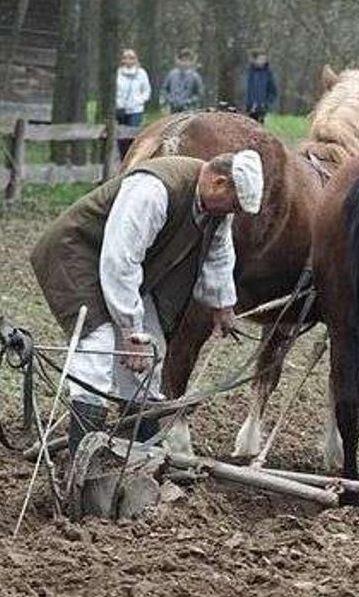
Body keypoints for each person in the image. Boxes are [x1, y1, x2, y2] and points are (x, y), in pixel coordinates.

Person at [29, 150, 264, 458]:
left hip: (127, 270)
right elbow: (119, 259)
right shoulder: (153, 190)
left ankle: (137, 456)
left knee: (149, 353)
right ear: (219, 183)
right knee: (98, 350)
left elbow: (219, 254)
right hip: (79, 255)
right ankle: (82, 460)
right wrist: (129, 332)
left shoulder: (215, 209)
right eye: (234, 203)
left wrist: (223, 305)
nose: (233, 212)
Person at [115, 48, 151, 158]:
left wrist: (139, 101)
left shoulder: (141, 73)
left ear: (135, 60)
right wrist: (118, 102)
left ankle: (132, 158)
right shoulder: (118, 73)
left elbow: (147, 90)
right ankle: (122, 158)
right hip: (121, 109)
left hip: (136, 110)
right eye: (126, 58)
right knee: (121, 137)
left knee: (133, 136)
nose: (128, 60)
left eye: (131, 58)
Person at [161, 48, 205, 114]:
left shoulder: (195, 76)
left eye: (187, 60)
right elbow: (164, 89)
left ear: (191, 62)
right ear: (178, 61)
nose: (184, 63)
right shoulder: (172, 74)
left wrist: (189, 101)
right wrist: (170, 99)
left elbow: (200, 94)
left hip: (188, 110)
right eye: (182, 60)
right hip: (173, 109)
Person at [245, 49, 278, 122]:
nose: (263, 61)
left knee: (259, 129)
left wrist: (266, 103)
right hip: (248, 107)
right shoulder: (248, 72)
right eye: (260, 59)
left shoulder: (268, 74)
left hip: (261, 108)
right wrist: (249, 103)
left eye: (264, 59)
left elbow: (273, 91)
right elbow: (245, 90)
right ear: (255, 60)